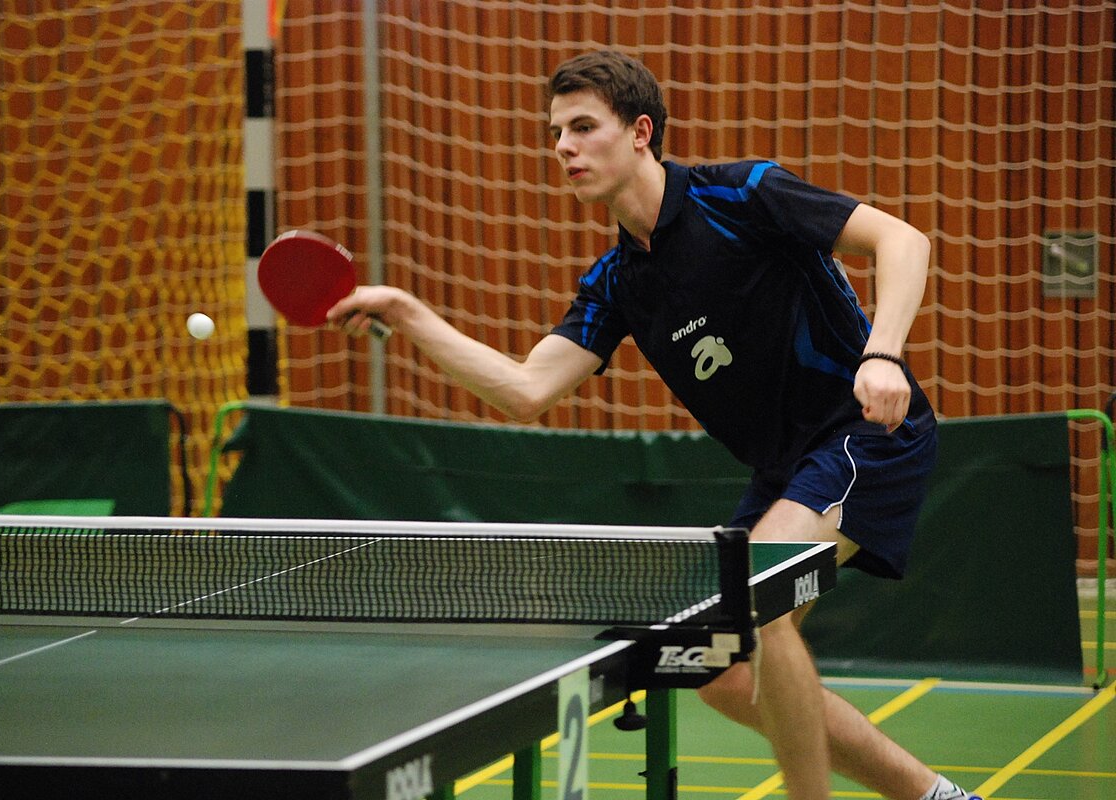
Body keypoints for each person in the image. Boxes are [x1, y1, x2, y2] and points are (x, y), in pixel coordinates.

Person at [329, 50, 980, 800]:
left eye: (582, 127)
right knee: (724, 673)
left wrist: (884, 354)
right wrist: (407, 314)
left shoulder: (743, 194)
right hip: (786, 466)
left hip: (864, 431)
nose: (563, 147)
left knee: (761, 595)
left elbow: (904, 241)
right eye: (555, 133)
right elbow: (526, 390)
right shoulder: (617, 284)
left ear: (641, 132)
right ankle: (937, 798)